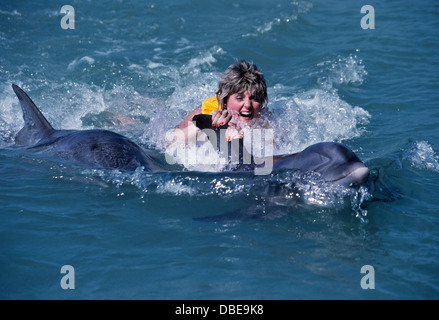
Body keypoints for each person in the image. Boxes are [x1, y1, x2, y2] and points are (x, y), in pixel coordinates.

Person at [175, 60, 268, 143]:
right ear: (225, 100)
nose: (248, 105)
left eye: (255, 98)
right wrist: (205, 124)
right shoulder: (209, 109)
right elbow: (170, 141)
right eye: (239, 98)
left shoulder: (266, 121)